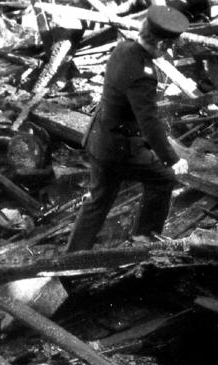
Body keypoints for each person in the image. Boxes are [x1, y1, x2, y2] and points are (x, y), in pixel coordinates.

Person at [66, 5, 190, 252]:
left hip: (99, 138)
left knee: (98, 200)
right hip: (118, 150)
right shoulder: (143, 73)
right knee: (164, 178)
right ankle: (144, 238)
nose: (168, 52)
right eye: (169, 46)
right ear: (162, 44)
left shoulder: (123, 48)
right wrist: (172, 159)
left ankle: (73, 256)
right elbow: (149, 121)